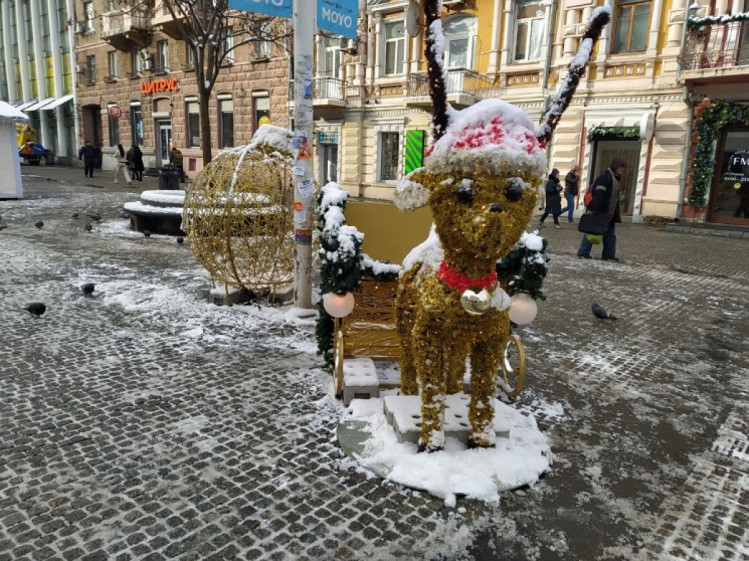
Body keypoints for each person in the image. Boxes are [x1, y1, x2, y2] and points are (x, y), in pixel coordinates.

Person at [577, 158, 627, 261]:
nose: (622, 170)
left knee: (610, 234)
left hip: (609, 213)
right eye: (621, 167)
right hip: (601, 211)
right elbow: (599, 195)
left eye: (623, 168)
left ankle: (608, 255)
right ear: (615, 167)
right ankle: (583, 252)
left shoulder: (615, 179)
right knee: (592, 232)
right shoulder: (605, 178)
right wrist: (597, 212)